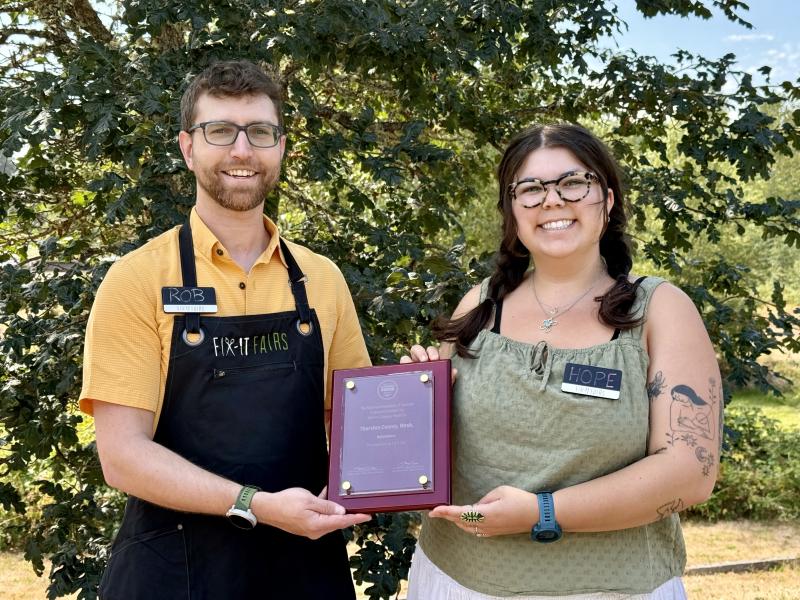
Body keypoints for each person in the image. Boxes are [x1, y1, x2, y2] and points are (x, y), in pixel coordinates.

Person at [80, 60, 371, 599]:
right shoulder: (138, 279)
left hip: (304, 570)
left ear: (281, 147)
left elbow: (357, 421)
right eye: (221, 131)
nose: (242, 150)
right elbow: (122, 456)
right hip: (175, 572)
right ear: (189, 148)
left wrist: (415, 418)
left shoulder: (322, 281)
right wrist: (254, 505)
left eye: (260, 132)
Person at [401, 123, 722, 599]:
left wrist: (542, 512)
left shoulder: (658, 309)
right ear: (513, 210)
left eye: (573, 183)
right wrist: (416, 401)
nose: (552, 200)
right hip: (454, 580)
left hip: (610, 589)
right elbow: (434, 454)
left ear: (607, 200)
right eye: (530, 189)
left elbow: (690, 472)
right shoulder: (481, 304)